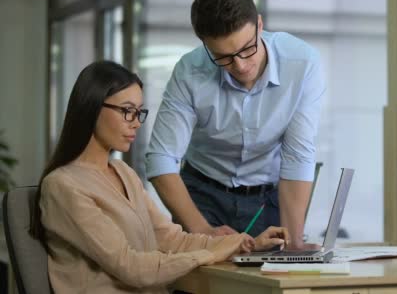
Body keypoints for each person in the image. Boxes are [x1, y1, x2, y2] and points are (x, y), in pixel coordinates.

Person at [30, 61, 288, 294]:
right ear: (93, 107)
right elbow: (130, 266)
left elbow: (172, 239)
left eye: (139, 112)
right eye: (127, 111)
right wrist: (207, 255)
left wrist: (246, 244)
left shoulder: (124, 174)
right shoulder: (63, 185)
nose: (136, 123)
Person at [146, 0, 325, 248]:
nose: (240, 66)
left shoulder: (302, 64)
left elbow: (297, 157)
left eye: (247, 49)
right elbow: (161, 159)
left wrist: (295, 245)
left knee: (271, 279)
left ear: (260, 26)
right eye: (224, 57)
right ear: (205, 45)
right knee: (201, 282)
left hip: (268, 198)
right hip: (202, 194)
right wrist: (202, 229)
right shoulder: (190, 71)